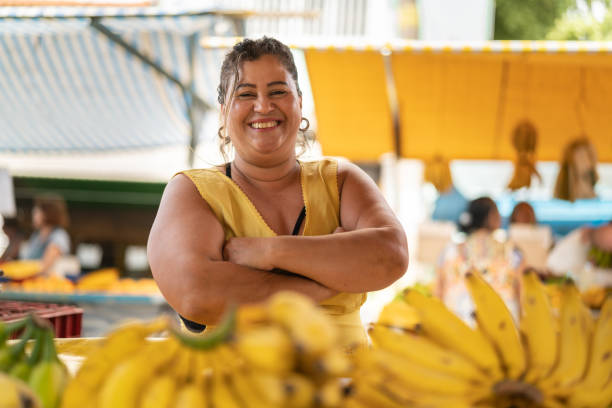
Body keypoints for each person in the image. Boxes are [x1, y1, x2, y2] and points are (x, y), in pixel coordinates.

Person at [147, 37, 409, 350]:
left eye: (278, 92)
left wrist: (271, 252)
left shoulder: (342, 181)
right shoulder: (193, 191)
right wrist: (323, 282)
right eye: (246, 94)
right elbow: (195, 292)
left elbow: (391, 255)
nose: (263, 105)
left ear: (299, 101)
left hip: (346, 390)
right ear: (223, 112)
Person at [436, 197, 523, 323]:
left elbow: (437, 293)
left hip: (456, 329)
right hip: (503, 329)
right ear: (492, 217)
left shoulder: (449, 250)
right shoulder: (512, 251)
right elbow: (524, 296)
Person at [20, 195, 71, 274]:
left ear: (46, 214)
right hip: (31, 281)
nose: (33, 216)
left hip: (46, 283)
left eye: (37, 212)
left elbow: (44, 265)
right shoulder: (36, 235)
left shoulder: (59, 235)